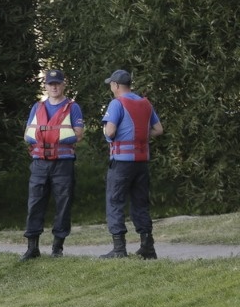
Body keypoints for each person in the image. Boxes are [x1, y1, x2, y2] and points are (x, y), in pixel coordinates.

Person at [20, 69, 85, 260]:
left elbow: (79, 134)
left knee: (63, 204)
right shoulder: (37, 107)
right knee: (35, 204)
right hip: (40, 163)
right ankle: (32, 248)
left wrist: (51, 135)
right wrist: (53, 136)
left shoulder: (73, 107)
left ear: (64, 85)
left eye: (57, 83)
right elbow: (27, 135)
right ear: (46, 86)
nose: (54, 86)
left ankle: (57, 248)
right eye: (50, 83)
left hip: (63, 163)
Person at [99, 69, 163, 259]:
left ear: (116, 86)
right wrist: (139, 137)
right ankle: (147, 246)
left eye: (111, 84)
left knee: (115, 201)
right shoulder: (145, 103)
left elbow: (110, 132)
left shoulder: (117, 103)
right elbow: (158, 129)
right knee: (140, 203)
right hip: (141, 162)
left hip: (121, 163)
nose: (111, 87)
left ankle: (119, 248)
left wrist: (106, 131)